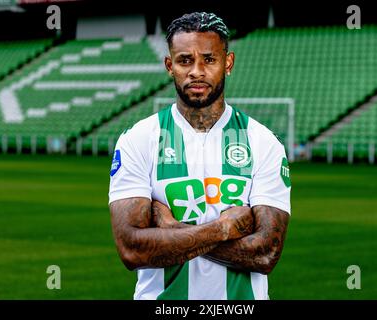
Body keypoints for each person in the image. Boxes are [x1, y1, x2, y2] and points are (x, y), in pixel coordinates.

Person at [108, 12, 291, 300]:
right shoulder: (138, 140)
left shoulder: (263, 142)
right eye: (185, 60)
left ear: (227, 63)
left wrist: (171, 230)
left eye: (209, 59)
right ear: (170, 66)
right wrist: (222, 229)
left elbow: (266, 253)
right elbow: (132, 249)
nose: (196, 71)